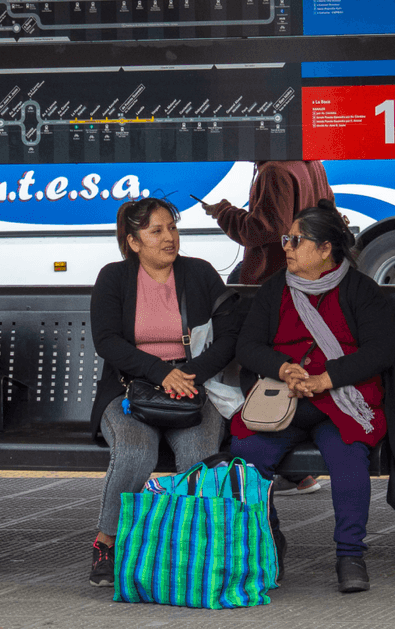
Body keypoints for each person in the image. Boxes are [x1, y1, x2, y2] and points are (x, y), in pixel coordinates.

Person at [228, 201, 395, 594]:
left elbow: (379, 351)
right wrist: (284, 368)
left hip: (342, 395)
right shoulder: (276, 287)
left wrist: (326, 378)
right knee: (248, 453)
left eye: (296, 240)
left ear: (326, 249)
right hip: (286, 396)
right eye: (287, 239)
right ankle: (269, 542)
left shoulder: (360, 290)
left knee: (347, 455)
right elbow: (248, 345)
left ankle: (350, 555)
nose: (288, 247)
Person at [86, 197, 241, 587]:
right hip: (130, 391)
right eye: (156, 231)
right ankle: (107, 542)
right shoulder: (114, 278)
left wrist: (189, 373)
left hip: (193, 388)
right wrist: (159, 373)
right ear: (133, 241)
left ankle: (185, 548)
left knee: (197, 454)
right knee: (137, 451)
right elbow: (106, 341)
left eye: (172, 227)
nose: (169, 238)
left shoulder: (200, 274)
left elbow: (229, 337)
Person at [202, 161, 333, 497]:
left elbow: (265, 228)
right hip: (302, 283)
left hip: (271, 283)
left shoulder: (274, 170)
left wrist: (224, 213)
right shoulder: (311, 163)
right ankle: (295, 473)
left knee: (260, 377)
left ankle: (276, 470)